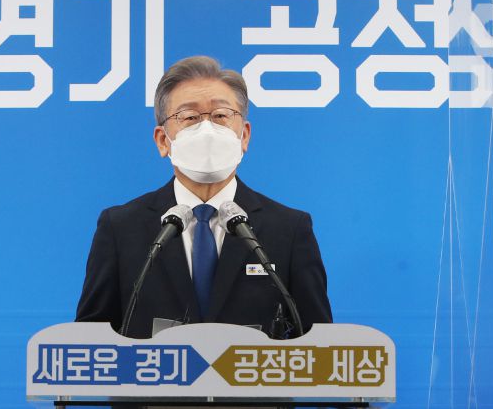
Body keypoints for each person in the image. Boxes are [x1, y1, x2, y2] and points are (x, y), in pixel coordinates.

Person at [76, 56, 332, 338]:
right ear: (162, 140)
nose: (207, 129)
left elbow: (319, 342)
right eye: (190, 117)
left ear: (244, 136)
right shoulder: (121, 227)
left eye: (221, 115)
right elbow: (89, 340)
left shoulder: (290, 229)